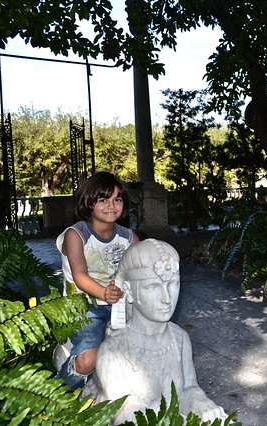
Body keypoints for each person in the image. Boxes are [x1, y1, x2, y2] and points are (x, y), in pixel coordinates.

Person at [83, 239, 227, 424]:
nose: (167, 298)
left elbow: (188, 390)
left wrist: (203, 405)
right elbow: (123, 414)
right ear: (129, 290)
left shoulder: (180, 339)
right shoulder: (112, 351)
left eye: (173, 284)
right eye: (153, 287)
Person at [54, 171, 139, 389]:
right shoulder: (76, 235)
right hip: (84, 307)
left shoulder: (129, 238)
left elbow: (140, 273)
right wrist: (103, 293)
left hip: (120, 306)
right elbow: (80, 275)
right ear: (89, 202)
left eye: (117, 199)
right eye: (103, 199)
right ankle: (55, 394)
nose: (112, 205)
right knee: (89, 360)